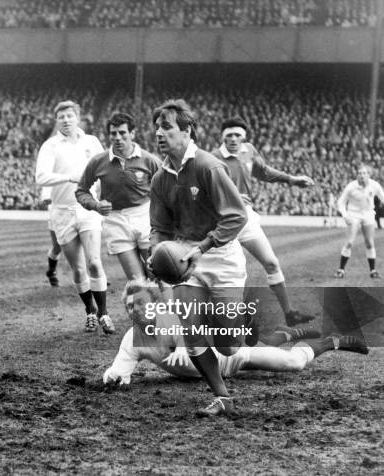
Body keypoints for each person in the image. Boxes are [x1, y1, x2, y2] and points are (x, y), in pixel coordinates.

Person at [149, 99, 248, 417]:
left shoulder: (208, 167)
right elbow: (160, 228)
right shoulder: (159, 179)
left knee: (227, 346)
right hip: (185, 261)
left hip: (221, 256)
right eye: (157, 128)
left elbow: (236, 217)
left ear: (186, 130)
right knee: (190, 330)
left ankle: (236, 325)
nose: (159, 134)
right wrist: (156, 254)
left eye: (166, 127)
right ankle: (222, 397)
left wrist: (203, 247)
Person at [103, 280, 368, 387]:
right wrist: (114, 378)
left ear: (154, 302)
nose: (135, 310)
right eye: (129, 307)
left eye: (140, 303)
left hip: (231, 356)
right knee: (267, 346)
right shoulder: (132, 339)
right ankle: (284, 333)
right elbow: (118, 372)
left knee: (294, 362)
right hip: (216, 370)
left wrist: (181, 347)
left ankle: (332, 341)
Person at [210, 116, 315, 327]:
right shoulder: (212, 159)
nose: (233, 139)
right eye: (228, 135)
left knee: (271, 263)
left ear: (244, 137)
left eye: (237, 135)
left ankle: (289, 312)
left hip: (246, 217)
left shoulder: (248, 151)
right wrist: (231, 198)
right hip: (222, 220)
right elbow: (206, 191)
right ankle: (211, 319)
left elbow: (264, 171)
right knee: (222, 273)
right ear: (222, 137)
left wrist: (291, 180)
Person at [35, 100, 114, 334]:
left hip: (87, 208)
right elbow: (41, 177)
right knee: (79, 270)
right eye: (61, 117)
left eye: (70, 116)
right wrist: (69, 177)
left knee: (94, 262)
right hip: (62, 211)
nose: (66, 120)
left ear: (78, 118)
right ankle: (90, 312)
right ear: (56, 121)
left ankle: (104, 314)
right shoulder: (50, 146)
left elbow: (105, 169)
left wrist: (104, 196)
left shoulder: (91, 142)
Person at [76, 111, 161, 281]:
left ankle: (165, 307)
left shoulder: (149, 160)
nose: (118, 137)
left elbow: (165, 190)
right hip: (115, 221)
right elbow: (81, 190)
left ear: (132, 133)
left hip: (145, 217)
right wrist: (96, 205)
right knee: (137, 281)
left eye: (122, 133)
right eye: (113, 133)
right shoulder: (98, 161)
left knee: (157, 275)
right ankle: (143, 306)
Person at [335, 165, 384, 278]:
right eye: (359, 173)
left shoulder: (374, 185)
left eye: (364, 173)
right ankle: (341, 270)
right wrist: (345, 215)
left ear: (368, 175)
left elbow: (383, 197)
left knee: (369, 243)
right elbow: (340, 202)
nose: (361, 175)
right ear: (356, 175)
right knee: (350, 242)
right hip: (353, 215)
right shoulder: (351, 187)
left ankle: (373, 271)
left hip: (368, 214)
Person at [41, 186, 62, 287]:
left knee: (85, 244)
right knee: (58, 247)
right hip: (56, 216)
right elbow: (45, 200)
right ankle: (51, 271)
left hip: (78, 215)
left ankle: (96, 276)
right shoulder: (52, 177)